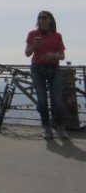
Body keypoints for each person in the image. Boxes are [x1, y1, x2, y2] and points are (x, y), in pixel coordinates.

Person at [25, 10, 68, 140]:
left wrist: (52, 55)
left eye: (44, 17)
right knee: (42, 101)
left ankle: (60, 127)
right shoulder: (33, 34)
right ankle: (47, 128)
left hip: (53, 68)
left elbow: (62, 56)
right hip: (37, 69)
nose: (41, 20)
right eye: (39, 18)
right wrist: (34, 45)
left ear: (50, 20)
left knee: (57, 101)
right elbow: (27, 53)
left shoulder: (57, 36)